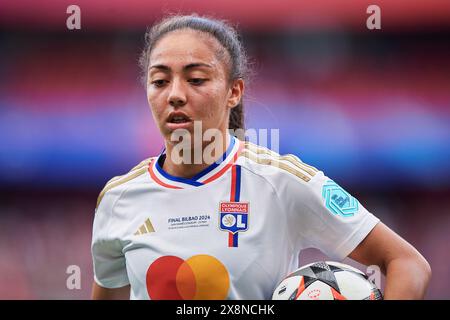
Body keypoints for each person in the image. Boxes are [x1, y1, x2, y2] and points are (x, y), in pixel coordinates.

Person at [91, 14, 431, 300]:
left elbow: (407, 263)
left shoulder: (281, 182)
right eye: (160, 81)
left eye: (195, 79)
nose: (175, 95)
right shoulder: (118, 198)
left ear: (233, 92)